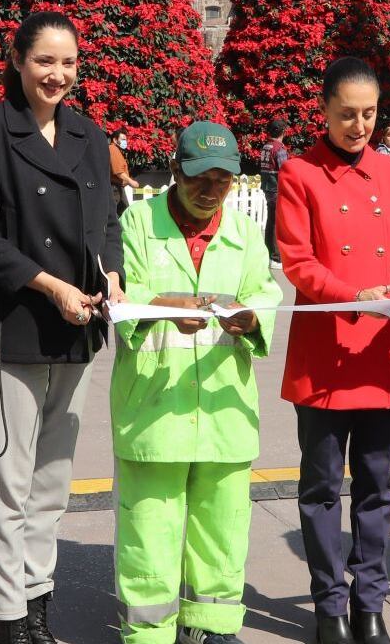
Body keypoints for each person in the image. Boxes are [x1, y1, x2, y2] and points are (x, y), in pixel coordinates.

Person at [0, 11, 126, 644]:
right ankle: (9, 619)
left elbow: (108, 224)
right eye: (45, 61)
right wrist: (51, 286)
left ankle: (39, 607)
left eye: (69, 63)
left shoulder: (89, 135)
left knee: (51, 486)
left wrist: (110, 278)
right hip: (12, 335)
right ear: (18, 60)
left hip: (76, 333)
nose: (58, 75)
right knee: (8, 489)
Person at [277, 58, 390, 644]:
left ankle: (370, 603)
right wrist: (354, 295)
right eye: (347, 114)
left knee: (376, 484)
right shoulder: (299, 172)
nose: (359, 125)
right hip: (326, 350)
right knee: (320, 487)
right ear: (323, 110)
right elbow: (299, 261)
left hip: (381, 349)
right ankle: (329, 606)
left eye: (368, 113)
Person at [112, 120, 282, 644]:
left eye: (223, 180)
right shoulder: (138, 222)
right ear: (174, 172)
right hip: (153, 410)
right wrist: (165, 307)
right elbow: (125, 296)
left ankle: (213, 626)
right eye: (199, 179)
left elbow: (265, 292)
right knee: (149, 532)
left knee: (222, 528)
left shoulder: (245, 232)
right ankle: (149, 635)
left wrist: (251, 319)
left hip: (224, 411)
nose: (211, 191)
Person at [257, 119, 291, 260]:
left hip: (267, 187)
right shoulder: (279, 149)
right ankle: (276, 254)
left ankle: (269, 249)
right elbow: (285, 170)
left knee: (271, 219)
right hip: (277, 188)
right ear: (283, 132)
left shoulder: (266, 146)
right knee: (278, 221)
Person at [110, 131, 143, 213]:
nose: (125, 142)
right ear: (114, 140)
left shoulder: (116, 150)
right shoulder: (113, 149)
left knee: (122, 213)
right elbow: (118, 171)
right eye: (123, 139)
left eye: (125, 140)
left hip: (116, 187)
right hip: (115, 188)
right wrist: (130, 181)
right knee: (121, 214)